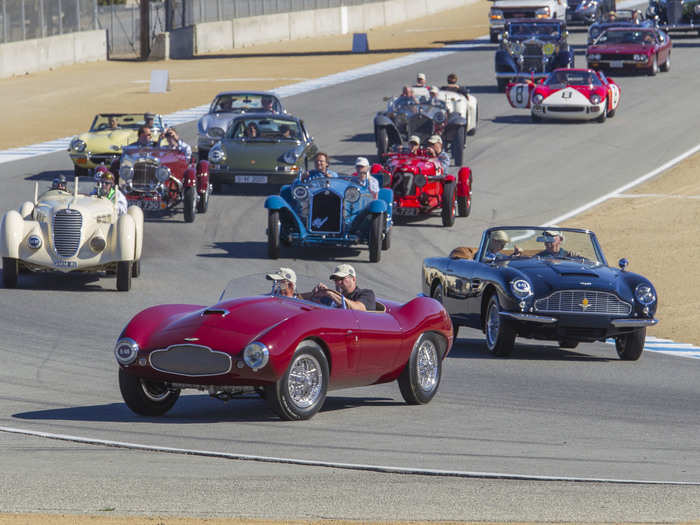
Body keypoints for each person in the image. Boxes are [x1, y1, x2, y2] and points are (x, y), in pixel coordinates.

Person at [308, 264, 376, 311]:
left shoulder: (366, 294)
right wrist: (316, 294)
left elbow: (359, 309)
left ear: (353, 279)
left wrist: (332, 294)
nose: (338, 282)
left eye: (341, 279)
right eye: (336, 279)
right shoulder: (333, 297)